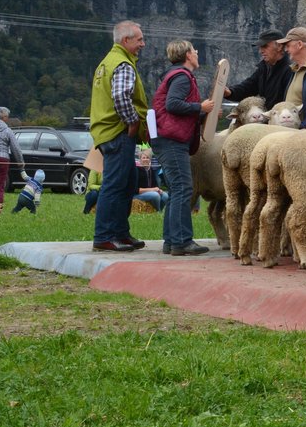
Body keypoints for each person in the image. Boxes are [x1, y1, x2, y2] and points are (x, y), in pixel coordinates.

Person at [89, 20, 149, 253]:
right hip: (118, 132)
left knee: (127, 183)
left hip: (108, 131)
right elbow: (121, 96)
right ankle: (104, 236)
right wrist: (133, 122)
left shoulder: (107, 62)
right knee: (115, 185)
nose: (143, 44)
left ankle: (120, 233)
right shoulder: (123, 64)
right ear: (126, 40)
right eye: (139, 39)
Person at [150, 39, 214, 255]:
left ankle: (171, 240)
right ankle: (182, 241)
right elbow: (173, 104)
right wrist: (200, 106)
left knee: (177, 189)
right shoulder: (182, 77)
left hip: (166, 139)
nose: (197, 53)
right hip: (172, 140)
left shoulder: (175, 75)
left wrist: (203, 112)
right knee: (183, 188)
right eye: (194, 51)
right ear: (187, 55)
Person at [224, 29, 291, 109]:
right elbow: (248, 87)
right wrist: (230, 92)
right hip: (267, 117)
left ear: (279, 46)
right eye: (260, 47)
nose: (261, 51)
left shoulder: (290, 70)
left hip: (282, 118)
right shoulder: (264, 68)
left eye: (265, 46)